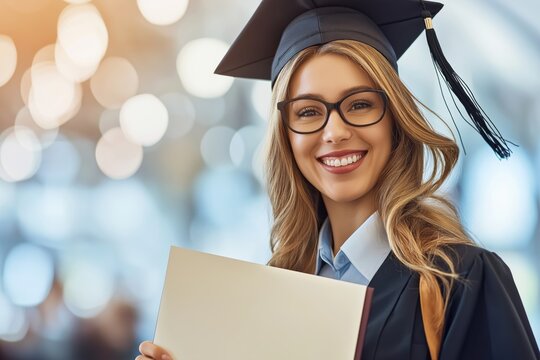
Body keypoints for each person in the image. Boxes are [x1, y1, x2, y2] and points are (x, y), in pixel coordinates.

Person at [137, 0, 540, 359]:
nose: (334, 132)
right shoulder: (269, 296)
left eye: (360, 104)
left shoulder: (461, 281)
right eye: (309, 112)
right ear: (286, 137)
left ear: (395, 120)